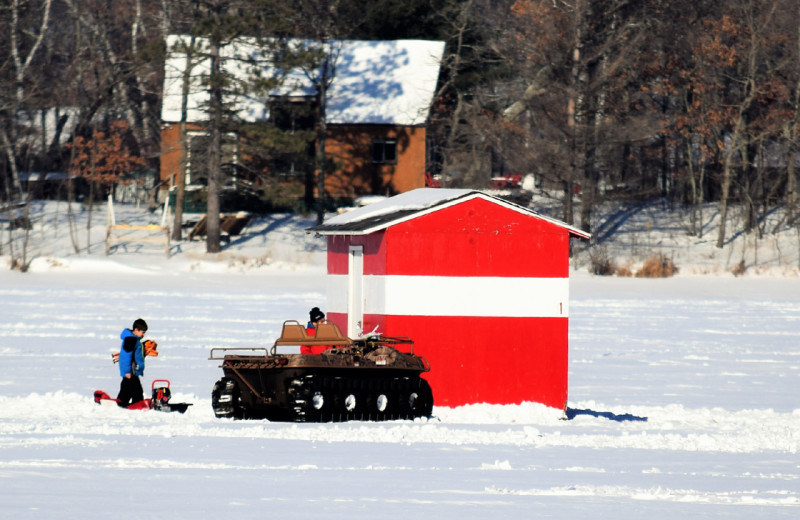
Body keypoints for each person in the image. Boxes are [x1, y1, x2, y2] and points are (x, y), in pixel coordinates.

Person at [116, 318, 148, 407]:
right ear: (136, 330)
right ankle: (126, 404)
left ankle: (135, 403)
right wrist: (127, 371)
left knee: (132, 389)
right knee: (132, 390)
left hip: (133, 371)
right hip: (130, 371)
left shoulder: (134, 340)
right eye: (143, 332)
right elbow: (125, 357)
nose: (144, 334)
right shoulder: (131, 340)